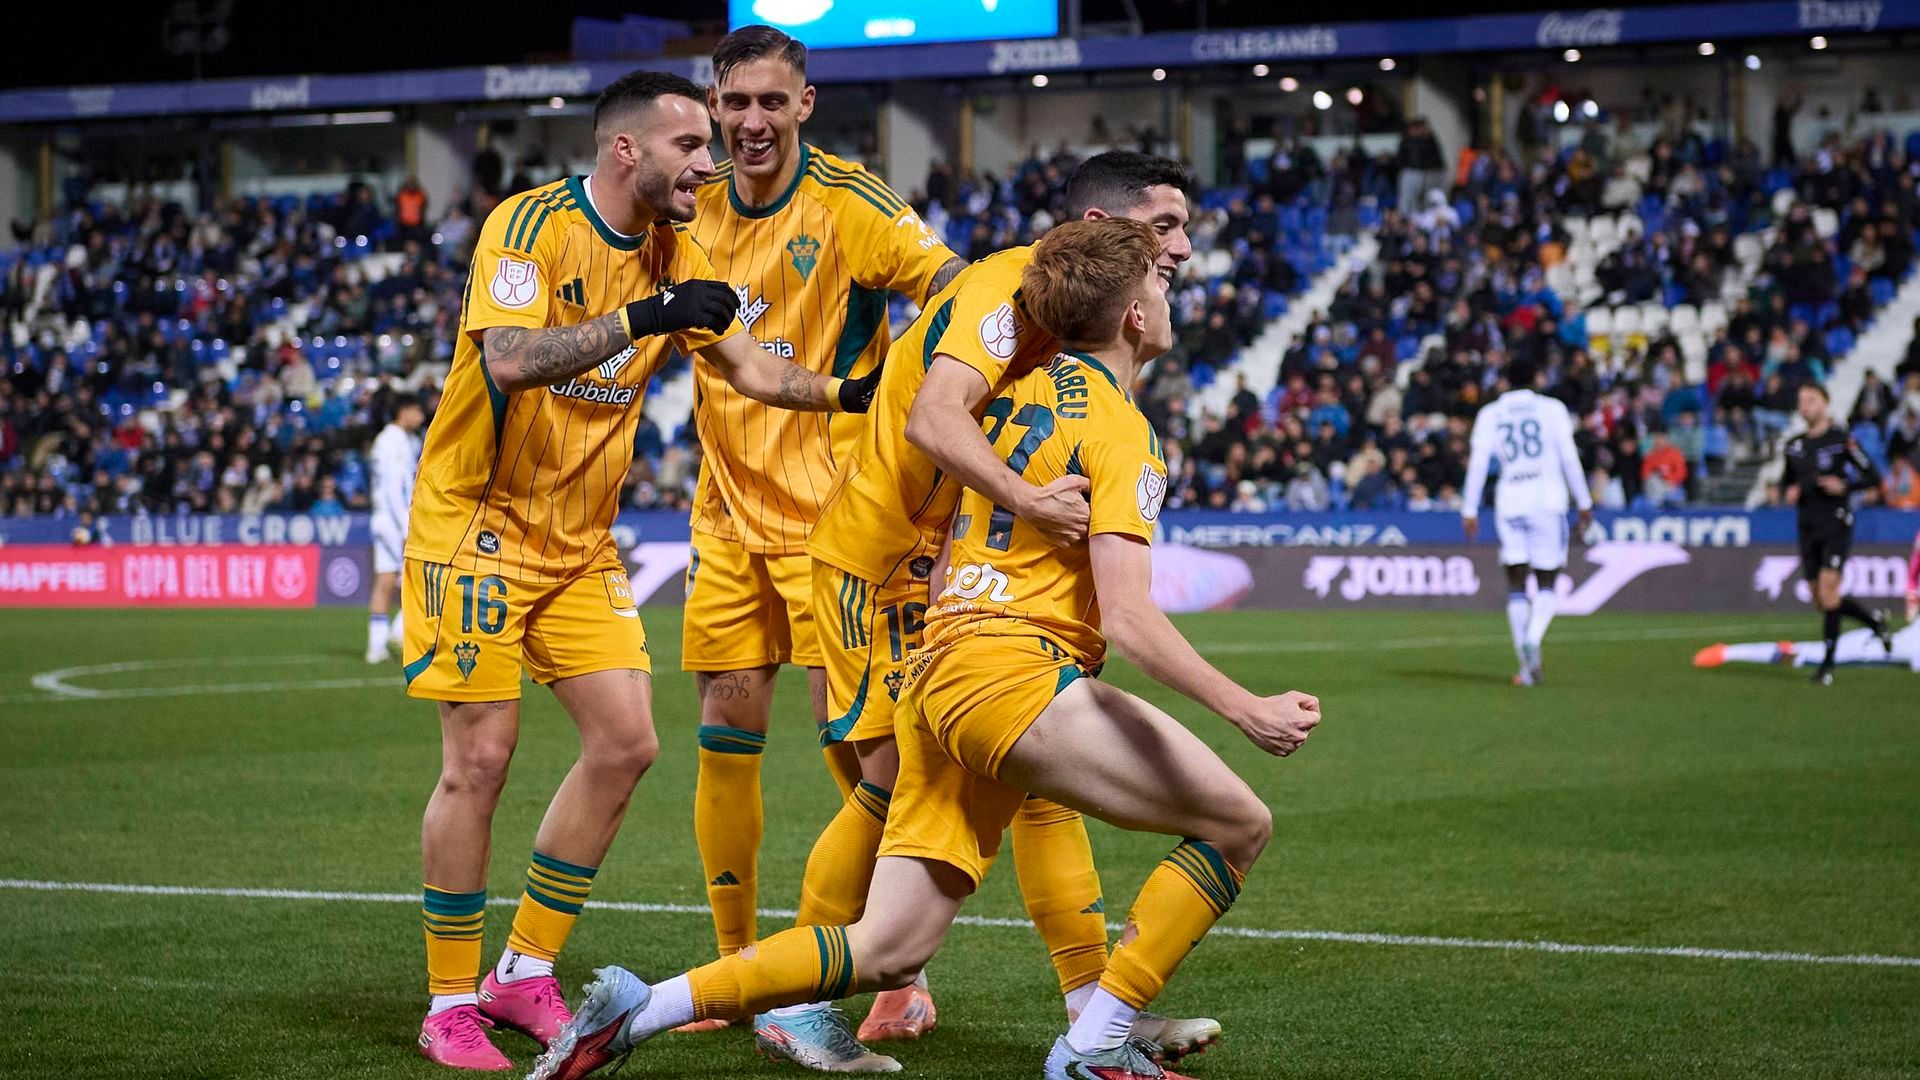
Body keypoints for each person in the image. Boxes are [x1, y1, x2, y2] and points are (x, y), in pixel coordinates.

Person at [529, 218, 1323, 1080]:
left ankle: (642, 1009)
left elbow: (948, 507)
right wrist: (1250, 709)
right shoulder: (1124, 435)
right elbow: (1130, 621)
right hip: (1013, 674)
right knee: (1239, 823)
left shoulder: (1010, 396)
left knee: (887, 948)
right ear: (1133, 315)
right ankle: (1094, 1045)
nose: (1173, 291)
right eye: (1161, 284)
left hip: (942, 669)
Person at [400, 69, 876, 1071]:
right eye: (691, 146)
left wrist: (851, 392)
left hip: (578, 545)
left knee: (625, 744)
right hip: (475, 527)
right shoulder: (527, 228)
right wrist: (645, 318)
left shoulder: (681, 246)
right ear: (629, 151)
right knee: (481, 759)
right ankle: (449, 999)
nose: (710, 163)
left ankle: (524, 970)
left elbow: (748, 366)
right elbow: (511, 360)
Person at [765, 150, 1216, 1067]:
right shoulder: (1004, 289)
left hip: (950, 569)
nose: (1184, 247)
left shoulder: (1077, 318)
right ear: (1100, 228)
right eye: (1164, 226)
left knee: (1039, 785)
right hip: (880, 565)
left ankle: (1099, 1009)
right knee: (896, 782)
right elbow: (936, 419)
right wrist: (1026, 500)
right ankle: (796, 1004)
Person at [673, 29, 967, 1063]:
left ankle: (899, 968)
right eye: (733, 102)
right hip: (723, 515)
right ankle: (740, 968)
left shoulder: (853, 203)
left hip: (838, 521)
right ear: (711, 103)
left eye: (770, 102)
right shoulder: (688, 199)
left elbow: (957, 292)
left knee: (865, 751)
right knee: (726, 727)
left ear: (806, 103)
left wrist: (896, 414)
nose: (750, 122)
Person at [1461, 358, 1593, 686]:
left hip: (1509, 501)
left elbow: (1478, 463)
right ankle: (1533, 637)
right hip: (1546, 500)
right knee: (1547, 580)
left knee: (1516, 584)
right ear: (1536, 377)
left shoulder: (1491, 413)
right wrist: (1585, 501)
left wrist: (1469, 508)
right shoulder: (1552, 408)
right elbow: (1568, 456)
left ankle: (1526, 669)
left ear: (1505, 381)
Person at [1775, 383, 1892, 685]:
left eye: (1811, 400)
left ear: (1825, 404)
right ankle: (1874, 621)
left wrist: (1846, 487)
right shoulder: (1795, 446)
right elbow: (1786, 481)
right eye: (1801, 401)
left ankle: (1827, 666)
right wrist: (1788, 491)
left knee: (1829, 592)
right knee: (1821, 600)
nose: (1805, 406)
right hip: (1807, 525)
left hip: (1836, 521)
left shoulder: (1842, 440)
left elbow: (1873, 476)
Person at [367, 395, 425, 663]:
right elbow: (395, 489)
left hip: (382, 517)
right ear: (403, 411)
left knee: (386, 581)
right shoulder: (395, 442)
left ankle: (375, 647)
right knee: (418, 577)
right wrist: (405, 527)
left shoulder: (387, 440)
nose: (421, 416)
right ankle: (398, 632)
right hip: (394, 520)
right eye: (417, 410)